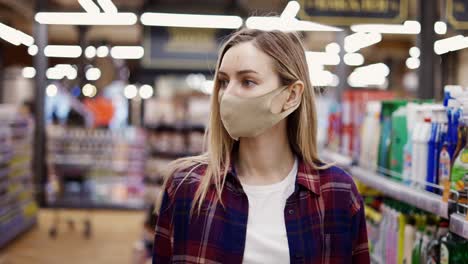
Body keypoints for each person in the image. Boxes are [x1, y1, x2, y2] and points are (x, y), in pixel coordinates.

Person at [153, 29, 369, 264]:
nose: (227, 95)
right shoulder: (187, 187)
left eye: (248, 81)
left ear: (291, 95)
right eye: (224, 81)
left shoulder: (337, 193)